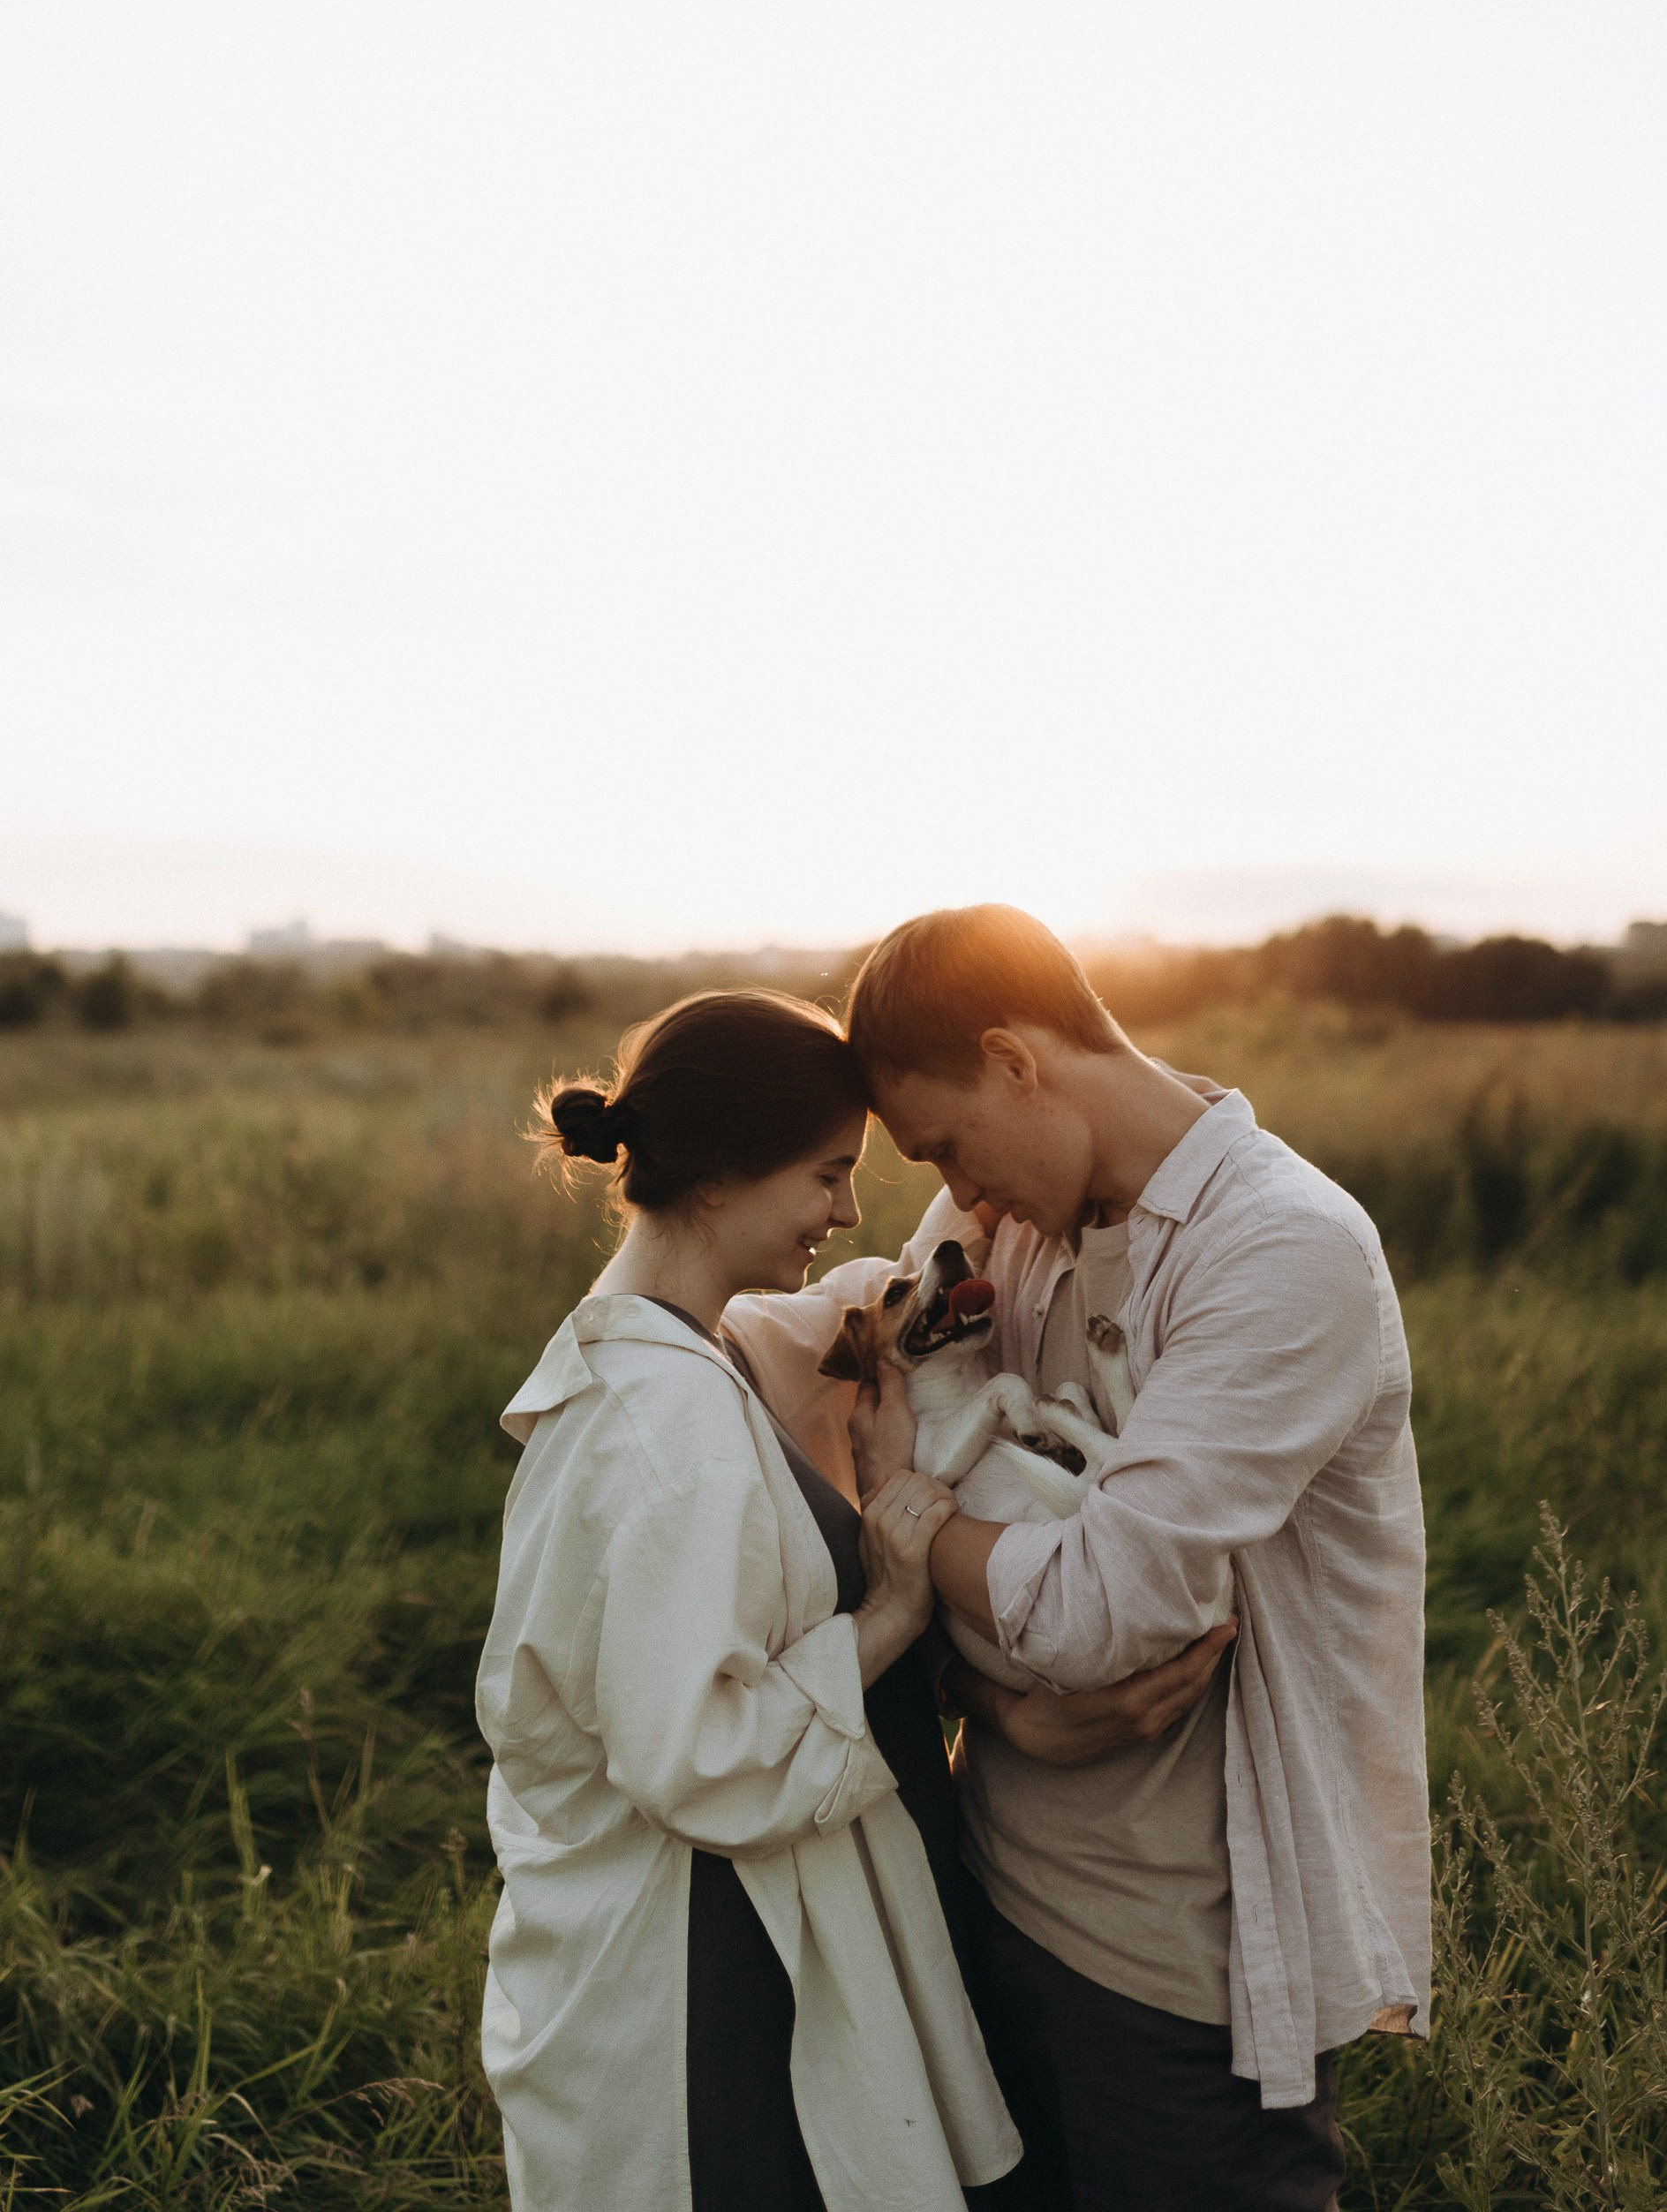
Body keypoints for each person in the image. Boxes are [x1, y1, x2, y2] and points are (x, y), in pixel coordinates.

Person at [727, 907, 1430, 2212]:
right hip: (986, 1894)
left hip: (1183, 1974)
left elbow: (1101, 1608)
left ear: (1014, 1059)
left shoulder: (1283, 1249)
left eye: (946, 1147)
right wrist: (993, 1706)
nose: (958, 1195)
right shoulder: (1018, 1215)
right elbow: (823, 1338)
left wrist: (909, 1521)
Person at [476, 989, 1023, 2212]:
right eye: (828, 1176)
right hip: (705, 1964)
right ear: (718, 1177)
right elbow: (697, 1752)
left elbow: (850, 1304)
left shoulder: (679, 1345)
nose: (845, 1210)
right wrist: (888, 1608)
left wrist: (982, 1206)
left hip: (715, 1932)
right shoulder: (669, 1427)